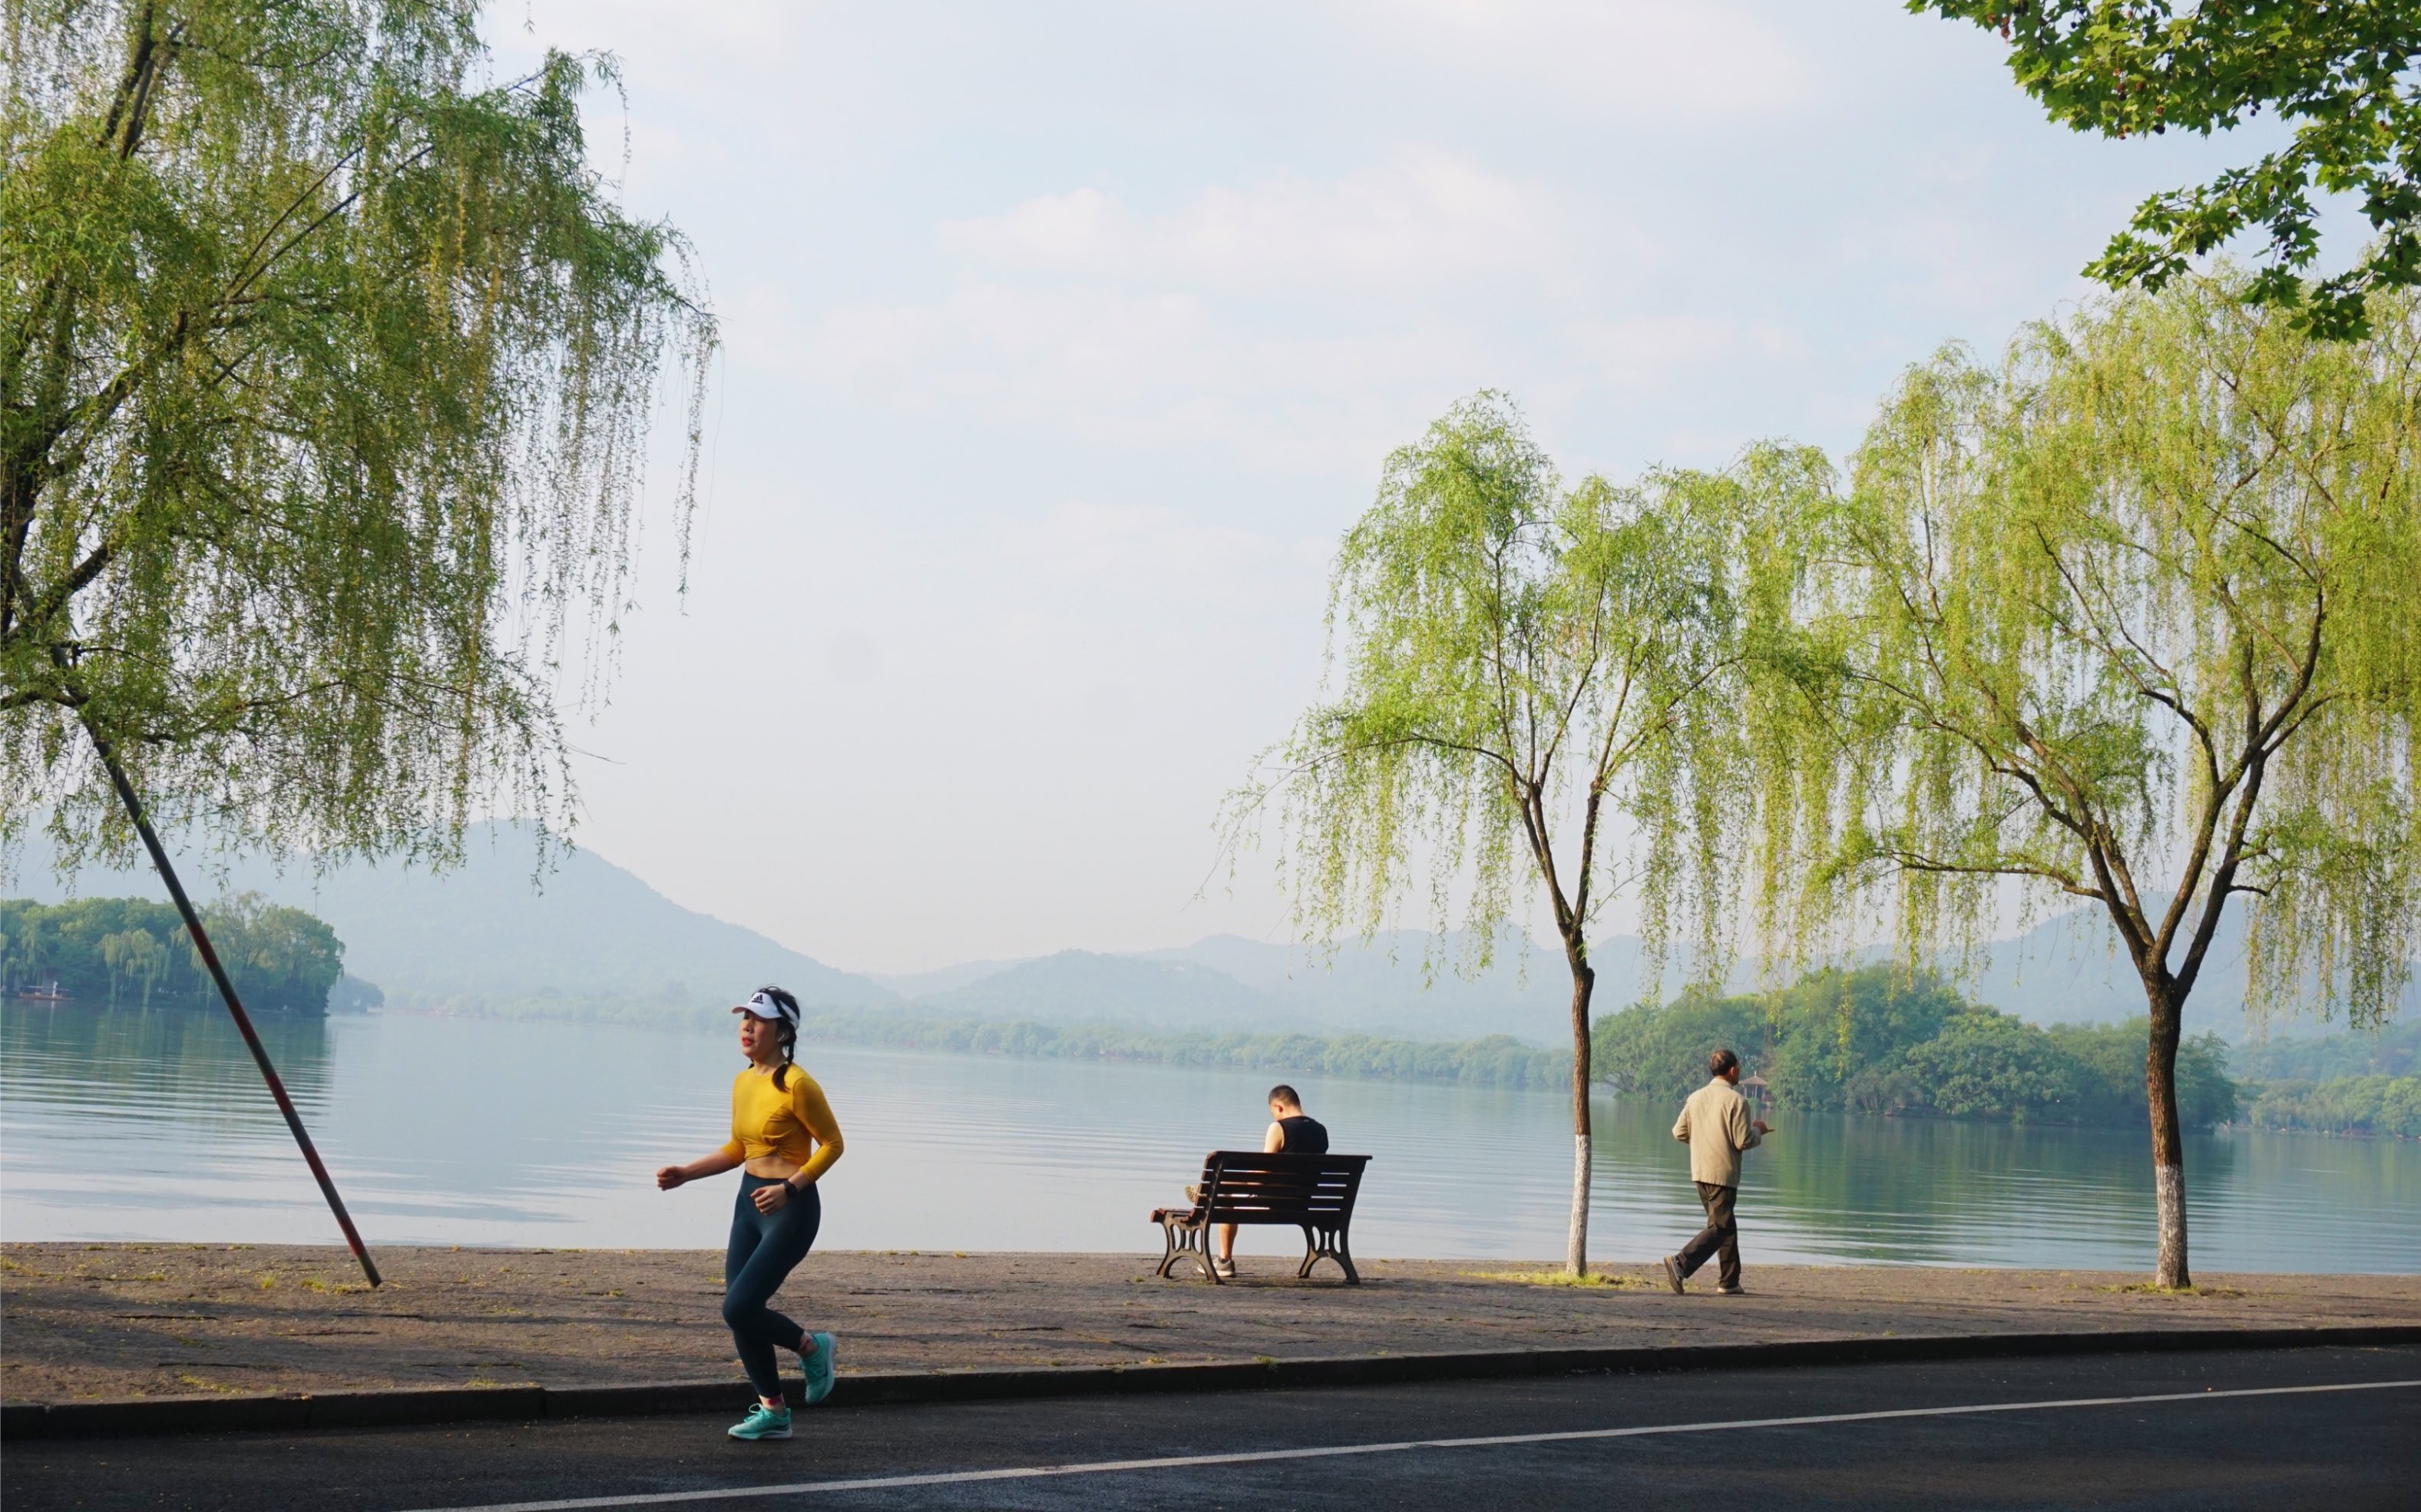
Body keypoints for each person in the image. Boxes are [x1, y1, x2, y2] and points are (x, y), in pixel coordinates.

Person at [657, 987, 846, 1441]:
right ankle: (774, 1412)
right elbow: (740, 1149)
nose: (747, 1026)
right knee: (742, 1312)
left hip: (790, 1208)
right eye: (744, 1018)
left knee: (738, 1306)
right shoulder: (744, 1081)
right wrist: (687, 1172)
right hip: (748, 1203)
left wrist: (789, 1188)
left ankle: (812, 1347)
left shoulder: (798, 1084)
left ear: (782, 1031)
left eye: (758, 1019)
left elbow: (834, 1145)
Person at [1662, 1047, 1769, 1297]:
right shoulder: (1738, 1101)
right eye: (1739, 1069)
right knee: (1720, 1227)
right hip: (1723, 1173)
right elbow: (1743, 1141)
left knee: (1725, 1226)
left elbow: (1679, 1132)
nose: (1739, 1073)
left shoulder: (1695, 1097)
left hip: (1700, 1171)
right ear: (1732, 1071)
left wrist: (1704, 1139)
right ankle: (1681, 1263)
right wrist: (1758, 1132)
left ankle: (1729, 1282)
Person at [1212, 1084, 1328, 1279]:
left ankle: (1224, 1261)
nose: (1274, 1117)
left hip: (1273, 1203)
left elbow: (1261, 1176)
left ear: (1278, 1107)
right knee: (1225, 1186)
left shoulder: (1279, 1128)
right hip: (1304, 1203)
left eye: (1273, 1112)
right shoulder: (1321, 1131)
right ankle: (1208, 1190)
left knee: (1224, 1193)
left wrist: (1243, 1180)